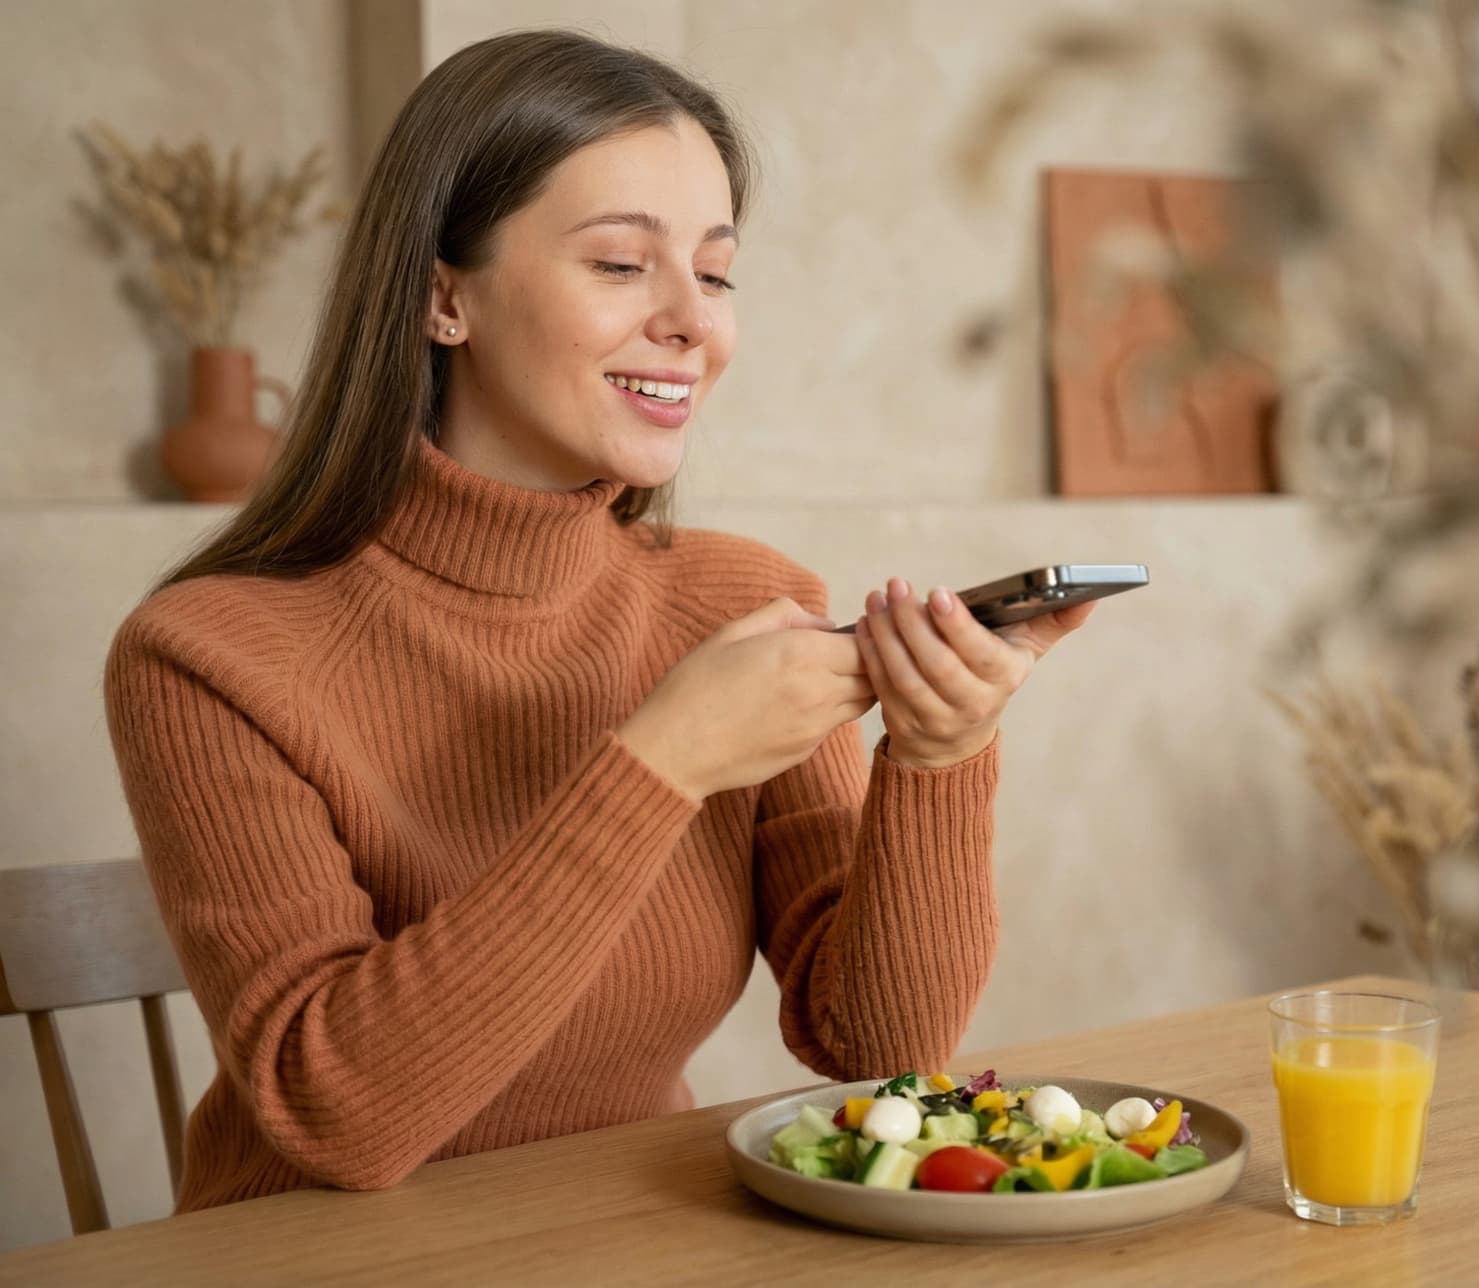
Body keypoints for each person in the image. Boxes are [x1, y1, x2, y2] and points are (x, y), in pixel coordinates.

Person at [103, 29, 1093, 1212]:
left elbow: (873, 1049)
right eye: (623, 264)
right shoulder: (206, 653)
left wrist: (939, 753)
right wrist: (663, 760)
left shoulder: (734, 602)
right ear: (443, 295)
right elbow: (339, 1119)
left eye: (716, 274)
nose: (692, 321)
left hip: (621, 1236)